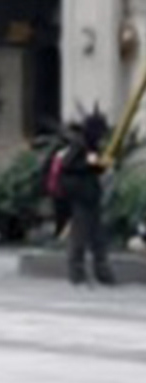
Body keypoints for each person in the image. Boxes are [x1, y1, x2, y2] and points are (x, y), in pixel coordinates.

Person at [58, 112, 117, 287]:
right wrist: (91, 164)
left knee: (97, 235)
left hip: (90, 195)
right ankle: (78, 273)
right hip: (82, 196)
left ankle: (102, 272)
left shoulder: (90, 146)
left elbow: (92, 169)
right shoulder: (79, 145)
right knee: (81, 235)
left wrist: (99, 165)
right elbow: (68, 165)